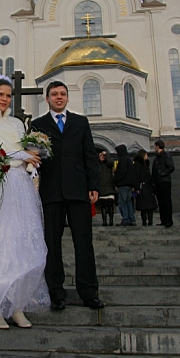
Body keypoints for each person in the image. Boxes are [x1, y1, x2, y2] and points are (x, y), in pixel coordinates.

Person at [0, 75, 50, 329]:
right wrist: (21, 154)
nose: (5, 99)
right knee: (0, 243)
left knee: (22, 242)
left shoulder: (17, 123)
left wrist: (31, 159)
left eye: (8, 95)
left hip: (21, 185)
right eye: (0, 95)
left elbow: (22, 150)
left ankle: (17, 305)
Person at [32, 81, 104, 311]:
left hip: (78, 190)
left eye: (62, 94)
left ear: (68, 97)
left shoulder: (80, 122)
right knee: (52, 244)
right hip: (51, 191)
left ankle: (89, 292)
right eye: (54, 94)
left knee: (84, 242)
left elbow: (89, 155)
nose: (59, 97)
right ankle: (56, 292)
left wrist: (93, 185)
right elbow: (35, 158)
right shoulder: (37, 125)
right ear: (47, 98)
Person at [152, 139, 175, 228]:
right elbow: (154, 171)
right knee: (160, 202)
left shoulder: (166, 155)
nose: (154, 148)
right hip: (158, 182)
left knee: (166, 201)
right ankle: (163, 220)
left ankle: (169, 220)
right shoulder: (156, 158)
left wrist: (162, 173)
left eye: (155, 146)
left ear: (157, 146)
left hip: (165, 181)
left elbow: (171, 167)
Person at [113, 144, 137, 226]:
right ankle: (132, 219)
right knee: (128, 202)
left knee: (122, 202)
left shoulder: (123, 160)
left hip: (123, 184)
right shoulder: (129, 159)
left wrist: (115, 178)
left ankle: (126, 219)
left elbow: (121, 172)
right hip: (129, 185)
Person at [133, 149, 157, 226]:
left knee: (149, 205)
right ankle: (144, 221)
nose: (147, 156)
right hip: (142, 186)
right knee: (143, 205)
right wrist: (137, 188)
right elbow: (136, 176)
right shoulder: (137, 164)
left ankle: (150, 220)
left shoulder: (146, 164)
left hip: (148, 187)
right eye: (146, 154)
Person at [98, 151, 116, 227]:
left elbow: (111, 162)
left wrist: (106, 154)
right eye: (100, 156)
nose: (102, 157)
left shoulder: (108, 165)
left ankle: (111, 220)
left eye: (103, 156)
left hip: (109, 187)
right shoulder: (98, 165)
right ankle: (104, 221)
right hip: (102, 187)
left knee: (110, 205)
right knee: (103, 206)